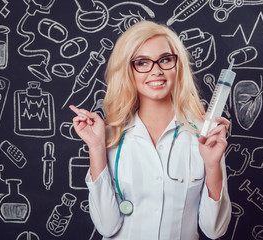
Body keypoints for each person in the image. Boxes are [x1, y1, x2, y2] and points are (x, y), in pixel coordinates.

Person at [70, 20, 231, 240]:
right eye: (142, 63)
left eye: (165, 60)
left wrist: (213, 166)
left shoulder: (204, 136)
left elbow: (214, 230)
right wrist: (96, 147)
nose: (156, 71)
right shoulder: (109, 136)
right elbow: (107, 227)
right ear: (128, 70)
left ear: (178, 66)